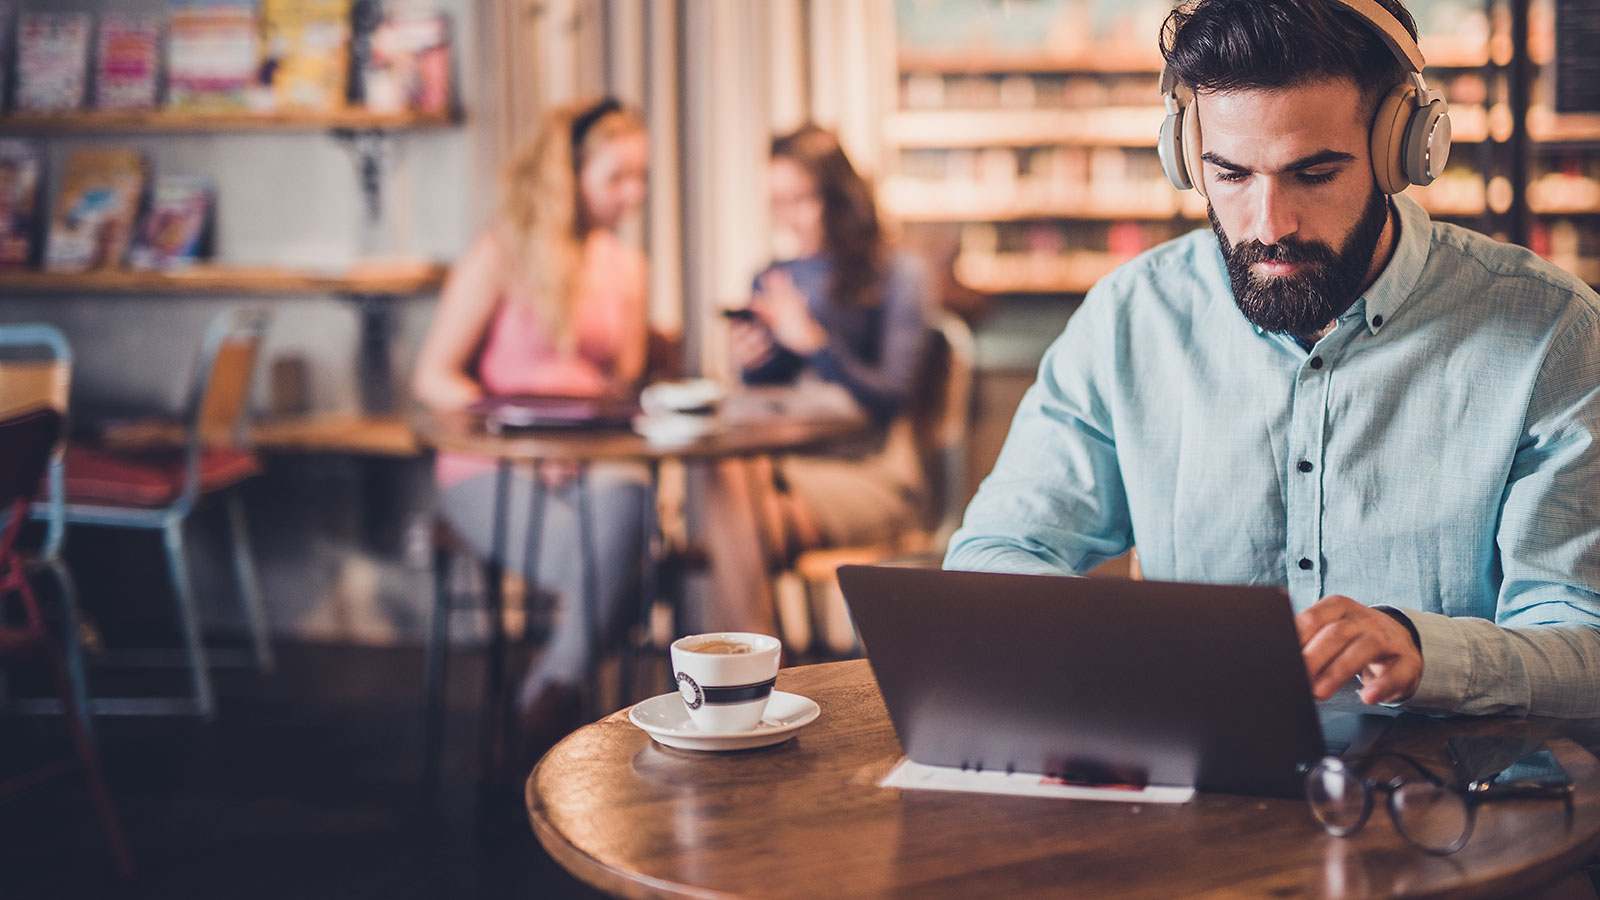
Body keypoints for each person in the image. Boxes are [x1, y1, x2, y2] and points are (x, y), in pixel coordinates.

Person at [945, 0, 1600, 734]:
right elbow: (994, 553)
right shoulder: (1132, 317)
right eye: (1230, 175)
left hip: (1445, 821)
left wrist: (1427, 653)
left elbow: (1587, 653)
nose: (1268, 225)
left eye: (1313, 174)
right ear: (1188, 156)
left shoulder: (1551, 334)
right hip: (1205, 810)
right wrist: (1115, 636)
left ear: (1405, 152)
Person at [413, 97, 650, 755]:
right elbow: (434, 375)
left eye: (642, 177)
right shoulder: (500, 252)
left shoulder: (627, 267)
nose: (635, 194)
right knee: (624, 570)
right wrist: (526, 442)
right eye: (618, 178)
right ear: (569, 175)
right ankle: (555, 715)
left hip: (588, 457)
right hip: (493, 464)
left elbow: (621, 381)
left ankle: (537, 700)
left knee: (631, 498)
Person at [702, 124, 930, 641]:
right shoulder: (774, 276)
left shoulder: (897, 273)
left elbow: (891, 397)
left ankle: (746, 667)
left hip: (871, 471)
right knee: (734, 472)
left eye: (803, 199)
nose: (791, 218)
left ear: (838, 196)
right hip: (786, 467)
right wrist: (753, 363)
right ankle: (759, 668)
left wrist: (814, 343)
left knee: (734, 501)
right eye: (778, 203)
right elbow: (768, 396)